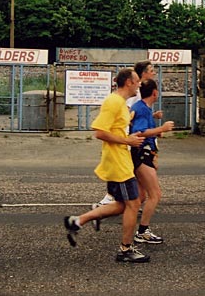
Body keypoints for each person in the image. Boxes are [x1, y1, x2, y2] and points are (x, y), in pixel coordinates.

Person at [63, 68, 149, 263]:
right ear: (128, 82)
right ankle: (125, 249)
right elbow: (99, 131)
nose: (139, 85)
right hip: (118, 162)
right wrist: (127, 141)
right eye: (137, 81)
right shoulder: (113, 102)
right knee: (133, 204)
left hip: (120, 159)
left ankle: (77, 221)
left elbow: (116, 128)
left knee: (121, 205)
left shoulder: (121, 103)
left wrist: (130, 137)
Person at [94, 61, 162, 209]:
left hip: (130, 143)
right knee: (129, 182)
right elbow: (130, 114)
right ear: (142, 74)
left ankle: (125, 205)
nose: (154, 73)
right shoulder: (131, 95)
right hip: (129, 143)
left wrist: (152, 118)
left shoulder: (140, 91)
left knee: (134, 186)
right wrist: (130, 136)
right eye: (151, 70)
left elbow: (137, 114)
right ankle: (109, 203)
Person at [130, 79, 174, 244]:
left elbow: (145, 128)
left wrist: (156, 127)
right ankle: (142, 231)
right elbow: (140, 132)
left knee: (140, 196)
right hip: (143, 154)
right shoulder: (142, 109)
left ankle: (102, 213)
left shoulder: (144, 108)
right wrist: (161, 128)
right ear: (154, 93)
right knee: (155, 194)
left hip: (145, 154)